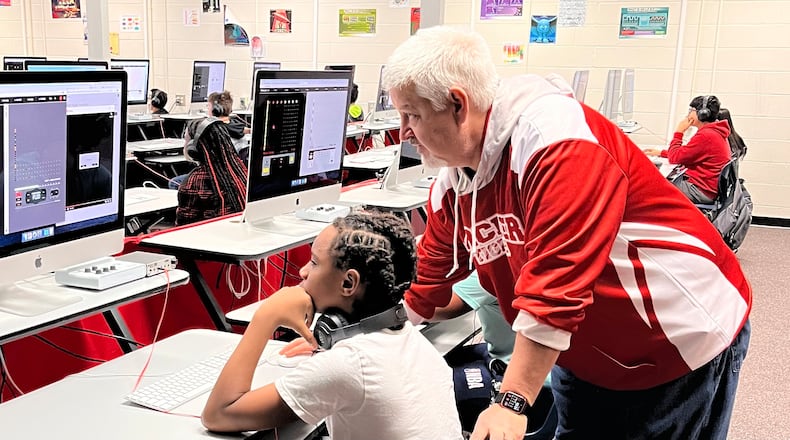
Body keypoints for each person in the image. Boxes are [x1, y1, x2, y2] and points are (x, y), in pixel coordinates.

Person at [384, 26, 751, 440]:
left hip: (674, 339)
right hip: (583, 351)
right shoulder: (455, 181)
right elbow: (429, 280)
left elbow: (559, 282)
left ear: (457, 104)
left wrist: (511, 401)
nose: (403, 132)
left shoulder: (557, 141)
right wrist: (345, 336)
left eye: (411, 114)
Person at [201, 211, 464, 439]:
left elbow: (219, 414)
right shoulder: (412, 341)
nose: (303, 272)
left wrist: (265, 318)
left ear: (349, 283)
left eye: (314, 263)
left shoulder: (349, 365)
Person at [643, 95, 732, 204]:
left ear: (702, 113)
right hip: (706, 188)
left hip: (699, 191)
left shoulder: (706, 135)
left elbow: (675, 158)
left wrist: (679, 132)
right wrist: (662, 153)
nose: (688, 114)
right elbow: (689, 153)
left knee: (649, 185)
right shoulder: (714, 131)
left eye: (692, 110)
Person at [175, 117, 248, 225]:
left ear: (193, 147)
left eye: (186, 140)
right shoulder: (239, 169)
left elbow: (182, 226)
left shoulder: (194, 181)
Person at [207, 90, 251, 154]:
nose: (207, 108)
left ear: (216, 109)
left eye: (208, 106)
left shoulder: (214, 129)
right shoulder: (237, 126)